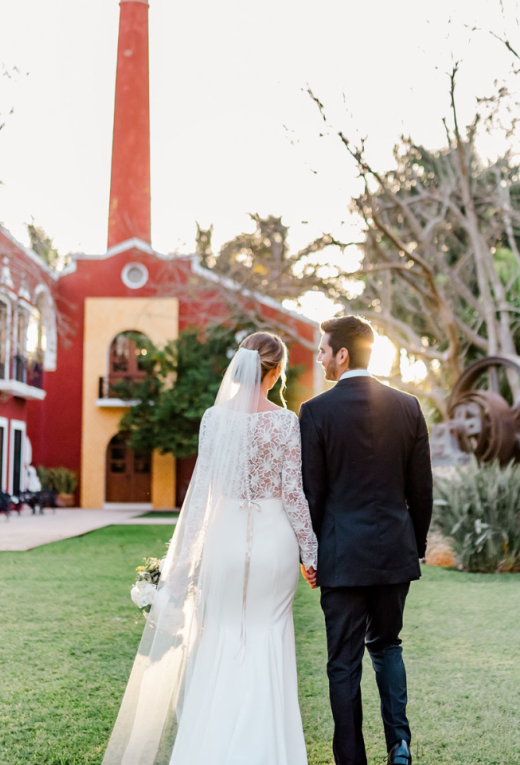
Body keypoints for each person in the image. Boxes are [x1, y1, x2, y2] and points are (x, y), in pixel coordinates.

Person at [103, 332, 318, 765]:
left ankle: (208, 748)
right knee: (268, 637)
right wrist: (311, 555)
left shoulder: (213, 419)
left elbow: (201, 498)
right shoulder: (284, 422)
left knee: (220, 636)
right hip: (274, 543)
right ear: (274, 371)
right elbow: (294, 494)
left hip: (223, 541)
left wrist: (183, 561)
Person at [299, 316, 433, 765]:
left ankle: (351, 760)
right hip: (394, 552)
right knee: (388, 645)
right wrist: (414, 545)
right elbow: (422, 488)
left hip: (341, 557)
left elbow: (312, 492)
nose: (320, 358)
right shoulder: (408, 406)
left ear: (342, 354)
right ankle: (399, 745)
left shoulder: (316, 411)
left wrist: (310, 552)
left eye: (323, 350)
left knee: (343, 663)